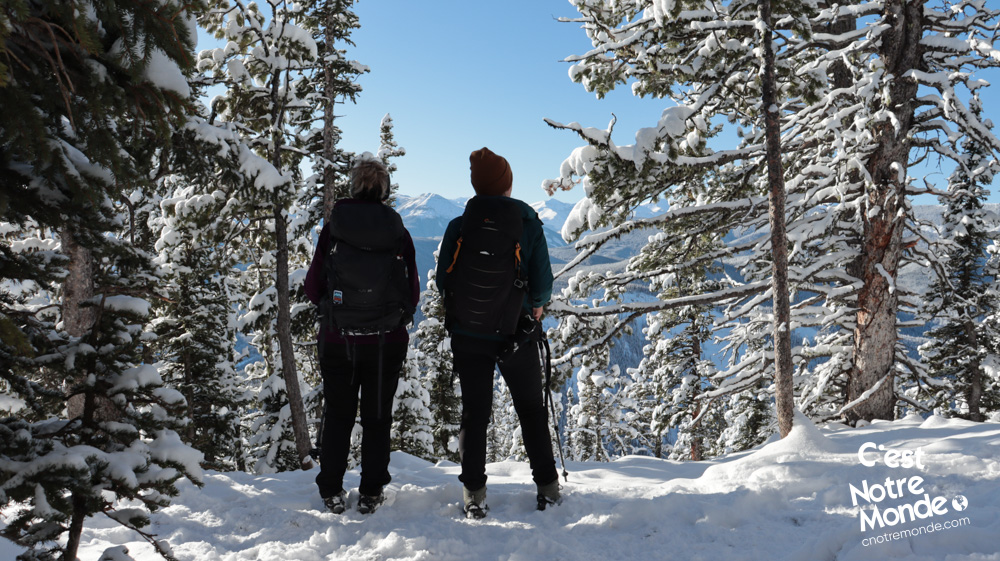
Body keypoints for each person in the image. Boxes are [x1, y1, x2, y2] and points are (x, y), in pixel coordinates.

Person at [436, 147, 560, 519]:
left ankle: (474, 494)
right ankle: (548, 490)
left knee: (475, 414)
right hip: (515, 335)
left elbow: (444, 280)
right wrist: (534, 305)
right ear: (507, 185)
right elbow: (542, 283)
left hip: (469, 333)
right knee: (531, 411)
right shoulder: (527, 222)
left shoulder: (460, 226)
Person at [305, 157, 419, 515]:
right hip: (386, 341)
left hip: (339, 338)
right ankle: (370, 491)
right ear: (384, 190)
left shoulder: (334, 227)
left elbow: (312, 286)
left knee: (338, 414)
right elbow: (411, 291)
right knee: (377, 416)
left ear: (353, 186)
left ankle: (331, 490)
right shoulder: (397, 230)